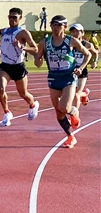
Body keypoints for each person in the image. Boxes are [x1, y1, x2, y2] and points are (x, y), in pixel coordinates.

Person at [34, 15, 91, 148]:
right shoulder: (45, 42)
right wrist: (39, 60)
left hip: (68, 77)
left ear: (64, 27)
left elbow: (87, 54)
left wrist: (81, 68)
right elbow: (37, 61)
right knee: (58, 111)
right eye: (54, 24)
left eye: (59, 25)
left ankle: (74, 111)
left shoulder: (71, 41)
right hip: (53, 77)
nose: (56, 27)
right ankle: (70, 136)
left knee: (64, 108)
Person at [0, 7, 40, 126]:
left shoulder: (23, 32)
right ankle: (7, 112)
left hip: (18, 66)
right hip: (5, 66)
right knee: (0, 89)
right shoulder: (4, 31)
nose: (12, 19)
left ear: (20, 18)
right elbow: (3, 44)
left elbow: (35, 49)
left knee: (23, 93)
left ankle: (33, 105)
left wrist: (22, 47)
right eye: (10, 17)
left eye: (14, 17)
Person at [68, 23, 98, 108]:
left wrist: (95, 62)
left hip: (82, 70)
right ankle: (85, 93)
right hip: (71, 70)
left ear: (82, 32)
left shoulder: (87, 45)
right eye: (72, 31)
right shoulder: (69, 44)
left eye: (76, 31)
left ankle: (74, 117)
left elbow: (95, 53)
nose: (74, 33)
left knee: (76, 94)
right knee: (70, 92)